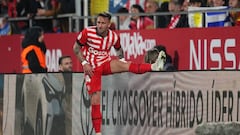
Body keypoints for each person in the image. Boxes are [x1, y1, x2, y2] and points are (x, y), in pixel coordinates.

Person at [73, 12, 166, 135]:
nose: (99, 25)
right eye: (98, 22)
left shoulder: (113, 36)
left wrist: (121, 60)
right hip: (92, 69)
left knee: (126, 65)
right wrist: (84, 62)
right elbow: (75, 48)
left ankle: (153, 66)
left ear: (109, 24)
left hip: (105, 63)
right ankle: (98, 133)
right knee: (96, 100)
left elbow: (118, 49)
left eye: (103, 23)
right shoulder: (87, 32)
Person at [58, 55, 72, 135]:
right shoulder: (58, 77)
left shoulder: (73, 76)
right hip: (62, 114)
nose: (69, 65)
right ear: (60, 66)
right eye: (66, 64)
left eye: (70, 63)